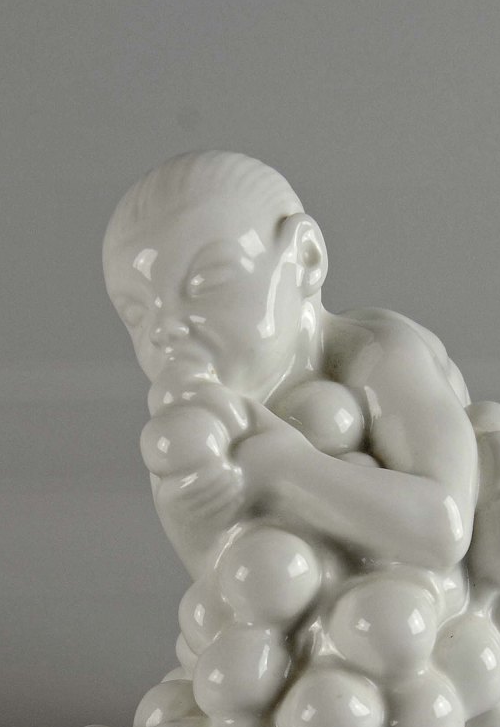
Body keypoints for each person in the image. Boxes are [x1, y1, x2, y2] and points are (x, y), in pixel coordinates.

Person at [101, 150, 480, 580]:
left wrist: (283, 467)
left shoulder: (380, 357)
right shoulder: (191, 438)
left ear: (306, 256)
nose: (164, 328)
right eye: (136, 314)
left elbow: (442, 527)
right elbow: (226, 583)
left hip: (411, 605)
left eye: (208, 282)